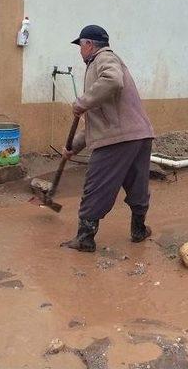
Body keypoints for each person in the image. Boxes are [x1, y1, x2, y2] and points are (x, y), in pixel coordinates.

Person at [60, 25, 155, 253]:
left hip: (117, 140)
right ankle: (139, 229)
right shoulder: (102, 66)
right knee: (137, 185)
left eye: (80, 46)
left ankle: (84, 238)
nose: (80, 52)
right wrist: (72, 147)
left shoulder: (104, 58)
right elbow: (97, 122)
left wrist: (82, 101)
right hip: (139, 135)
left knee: (97, 186)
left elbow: (113, 80)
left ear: (89, 44)